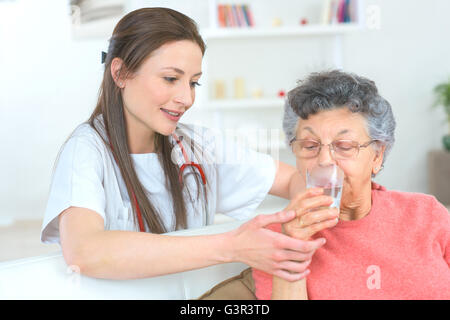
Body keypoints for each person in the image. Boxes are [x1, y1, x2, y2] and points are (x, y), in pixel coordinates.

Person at [40, 7, 333, 281]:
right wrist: (232, 247)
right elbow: (85, 252)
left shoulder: (198, 145)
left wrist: (305, 211)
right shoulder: (86, 150)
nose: (187, 98)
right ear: (120, 73)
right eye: (170, 79)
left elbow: (295, 179)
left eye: (193, 83)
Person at [252, 70, 450, 300]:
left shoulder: (426, 214)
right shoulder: (279, 237)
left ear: (377, 156)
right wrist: (293, 249)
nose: (324, 160)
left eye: (344, 146)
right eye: (309, 145)